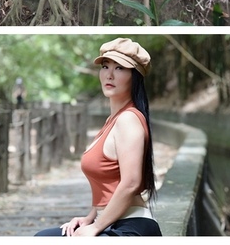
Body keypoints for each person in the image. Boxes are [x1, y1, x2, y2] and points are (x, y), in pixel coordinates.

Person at [35, 38, 161, 237]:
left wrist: (95, 227)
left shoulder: (128, 120)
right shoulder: (113, 120)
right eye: (105, 66)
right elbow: (109, 184)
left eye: (120, 68)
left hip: (131, 226)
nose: (109, 75)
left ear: (134, 76)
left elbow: (130, 183)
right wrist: (89, 218)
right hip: (110, 221)